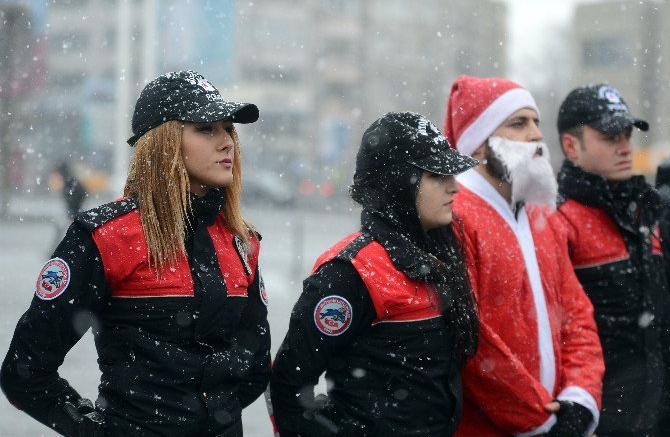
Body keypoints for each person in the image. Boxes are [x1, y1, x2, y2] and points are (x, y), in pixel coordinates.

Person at [0, 70, 270, 437]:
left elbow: (254, 368)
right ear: (163, 142)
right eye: (206, 129)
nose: (227, 143)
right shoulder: (105, 237)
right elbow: (25, 371)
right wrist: (96, 429)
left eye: (229, 129)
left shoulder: (243, 241)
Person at [270, 111, 480, 436]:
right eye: (438, 175)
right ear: (398, 183)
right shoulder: (353, 271)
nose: (455, 187)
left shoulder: (438, 258)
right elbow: (288, 382)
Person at [443, 75, 604, 437]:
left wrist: (579, 399)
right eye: (519, 123)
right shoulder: (454, 216)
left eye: (536, 122)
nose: (536, 135)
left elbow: (577, 316)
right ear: (479, 145)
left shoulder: (542, 215)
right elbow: (472, 342)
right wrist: (540, 421)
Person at [555, 83, 670, 437]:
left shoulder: (647, 211)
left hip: (658, 409)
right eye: (610, 137)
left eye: (626, 135)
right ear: (571, 146)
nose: (625, 147)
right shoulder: (558, 221)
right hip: (602, 416)